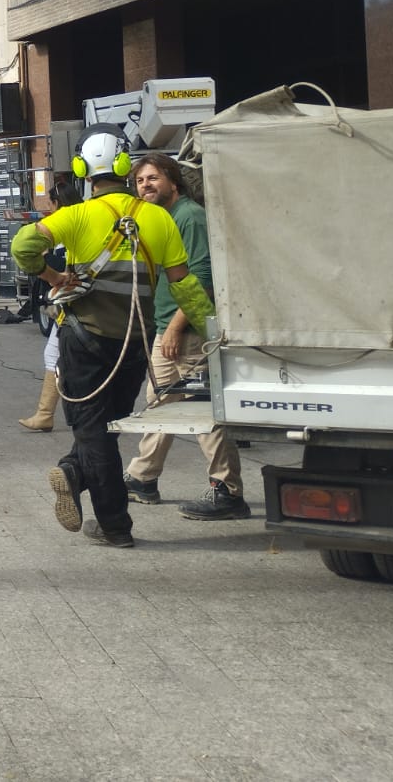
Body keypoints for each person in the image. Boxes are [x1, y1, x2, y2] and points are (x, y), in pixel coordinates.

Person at [11, 124, 214, 548]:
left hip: (84, 338)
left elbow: (22, 247)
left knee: (92, 432)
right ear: (125, 165)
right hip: (136, 342)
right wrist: (213, 331)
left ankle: (114, 524)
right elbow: (185, 285)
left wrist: (54, 276)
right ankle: (73, 472)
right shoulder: (159, 218)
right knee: (107, 428)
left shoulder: (76, 215)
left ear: (83, 168)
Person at [122, 154, 249, 520]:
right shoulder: (165, 218)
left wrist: (176, 328)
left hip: (188, 330)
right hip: (171, 325)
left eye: (153, 178)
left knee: (199, 408)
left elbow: (203, 278)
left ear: (172, 182)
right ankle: (142, 478)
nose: (145, 185)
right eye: (140, 180)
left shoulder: (188, 217)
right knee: (163, 402)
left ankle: (227, 491)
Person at [18, 178, 82, 432]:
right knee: (55, 350)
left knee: (56, 354)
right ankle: (46, 414)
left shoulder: (64, 220)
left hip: (72, 296)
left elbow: (29, 251)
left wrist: (47, 263)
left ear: (57, 202)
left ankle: (47, 414)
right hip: (71, 297)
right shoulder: (85, 214)